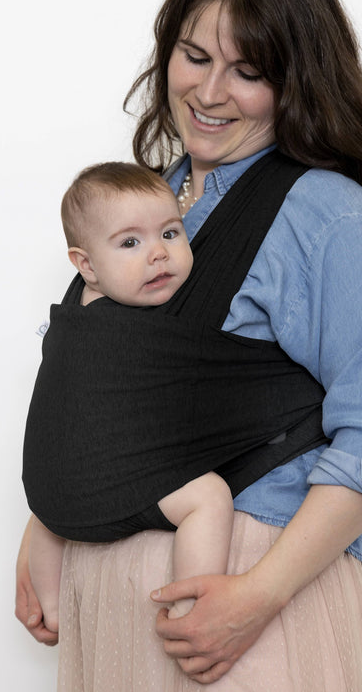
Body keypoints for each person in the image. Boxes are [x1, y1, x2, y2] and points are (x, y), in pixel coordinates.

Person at [16, 0, 362, 692]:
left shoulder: (332, 218)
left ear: (295, 81)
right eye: (193, 55)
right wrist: (50, 518)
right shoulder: (142, 205)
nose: (209, 92)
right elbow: (100, 390)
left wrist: (255, 598)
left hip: (249, 597)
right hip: (116, 604)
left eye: (247, 71)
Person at [26, 161, 233, 631]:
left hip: (57, 499)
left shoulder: (78, 309)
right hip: (109, 485)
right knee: (210, 497)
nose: (157, 255)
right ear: (87, 266)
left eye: (171, 233)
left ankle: (53, 610)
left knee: (47, 510)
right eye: (131, 243)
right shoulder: (110, 330)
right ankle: (191, 610)